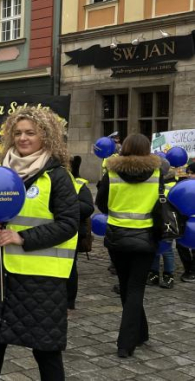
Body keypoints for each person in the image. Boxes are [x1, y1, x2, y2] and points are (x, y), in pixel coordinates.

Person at [0, 107, 78, 380]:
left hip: (42, 279)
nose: (23, 138)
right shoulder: (0, 173)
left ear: (46, 136)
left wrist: (22, 237)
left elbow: (69, 224)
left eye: (30, 133)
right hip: (4, 274)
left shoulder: (57, 176)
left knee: (45, 349)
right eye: (18, 132)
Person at [96, 133, 160, 359]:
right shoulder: (158, 173)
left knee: (126, 286)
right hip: (146, 238)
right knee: (135, 289)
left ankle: (138, 334)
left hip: (117, 237)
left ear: (123, 148)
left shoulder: (111, 173)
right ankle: (127, 341)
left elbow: (100, 203)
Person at [67, 156, 94, 311]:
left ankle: (69, 301)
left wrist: (64, 203)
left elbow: (87, 208)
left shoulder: (79, 184)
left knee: (70, 268)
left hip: (73, 232)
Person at [148, 160, 176, 290]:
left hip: (166, 222)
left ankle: (168, 275)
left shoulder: (171, 185)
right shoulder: (152, 183)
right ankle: (153, 274)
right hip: (154, 220)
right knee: (154, 249)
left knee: (167, 250)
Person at [177, 163, 195, 283]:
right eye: (188, 173)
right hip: (185, 221)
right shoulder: (184, 186)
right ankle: (188, 269)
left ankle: (192, 271)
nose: (189, 175)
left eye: (192, 173)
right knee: (181, 245)